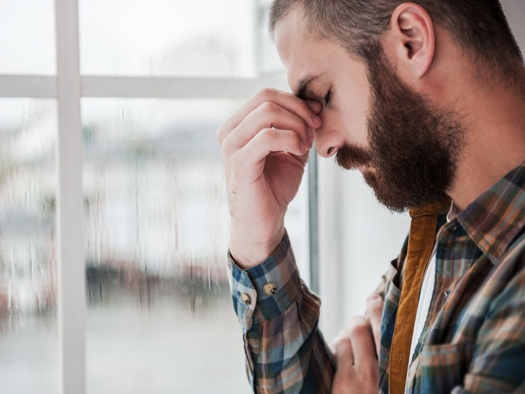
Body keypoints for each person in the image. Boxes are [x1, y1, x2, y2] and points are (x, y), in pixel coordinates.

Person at [216, 0, 525, 392]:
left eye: (324, 95)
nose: (323, 146)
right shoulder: (438, 236)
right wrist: (258, 238)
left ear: (410, 41)